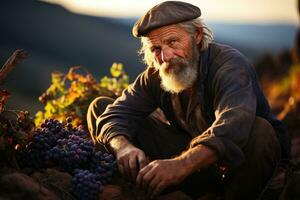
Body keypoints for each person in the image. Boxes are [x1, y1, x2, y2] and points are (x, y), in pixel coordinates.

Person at [87, 1, 291, 199]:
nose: (165, 57)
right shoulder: (156, 74)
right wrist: (123, 147)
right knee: (101, 107)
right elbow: (117, 113)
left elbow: (234, 124)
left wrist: (180, 165)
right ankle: (152, 184)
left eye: (172, 42)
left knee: (260, 130)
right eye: (155, 49)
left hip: (240, 165)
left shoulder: (229, 65)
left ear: (197, 35)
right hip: (197, 166)